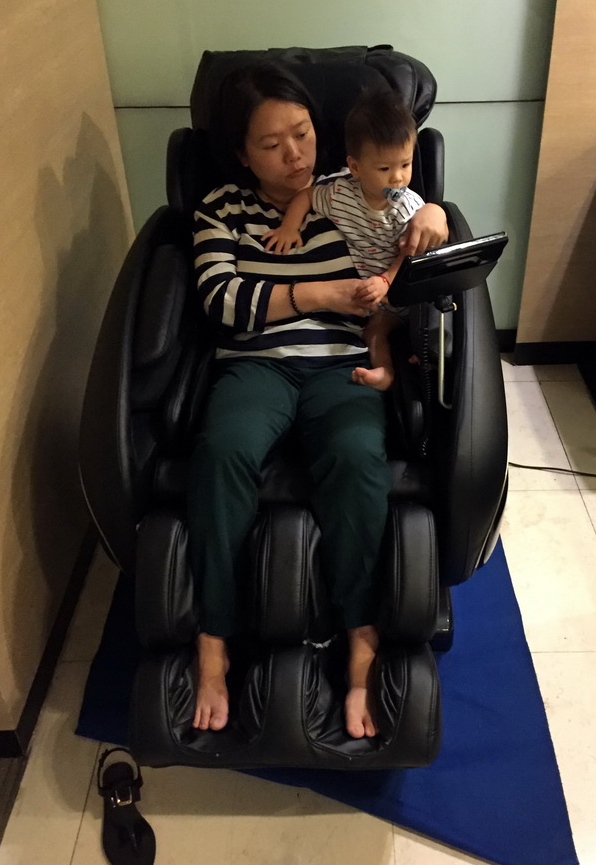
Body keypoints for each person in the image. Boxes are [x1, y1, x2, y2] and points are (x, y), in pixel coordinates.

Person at [188, 61, 448, 739]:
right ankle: (214, 639)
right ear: (243, 153)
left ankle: (359, 633)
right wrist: (318, 295)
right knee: (222, 453)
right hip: (257, 365)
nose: (294, 154)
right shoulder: (221, 208)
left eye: (302, 134)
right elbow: (223, 301)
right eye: (272, 145)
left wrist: (436, 213)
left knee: (358, 459)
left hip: (341, 364)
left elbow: (409, 231)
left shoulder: (349, 192)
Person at [262, 89, 424, 392]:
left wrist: (387, 280)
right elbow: (307, 195)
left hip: (405, 285)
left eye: (405, 165)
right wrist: (289, 227)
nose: (398, 179)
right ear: (356, 167)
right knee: (375, 332)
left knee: (434, 317)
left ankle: (429, 358)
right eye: (385, 169)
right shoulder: (340, 194)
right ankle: (385, 374)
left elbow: (412, 252)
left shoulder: (408, 206)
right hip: (373, 302)